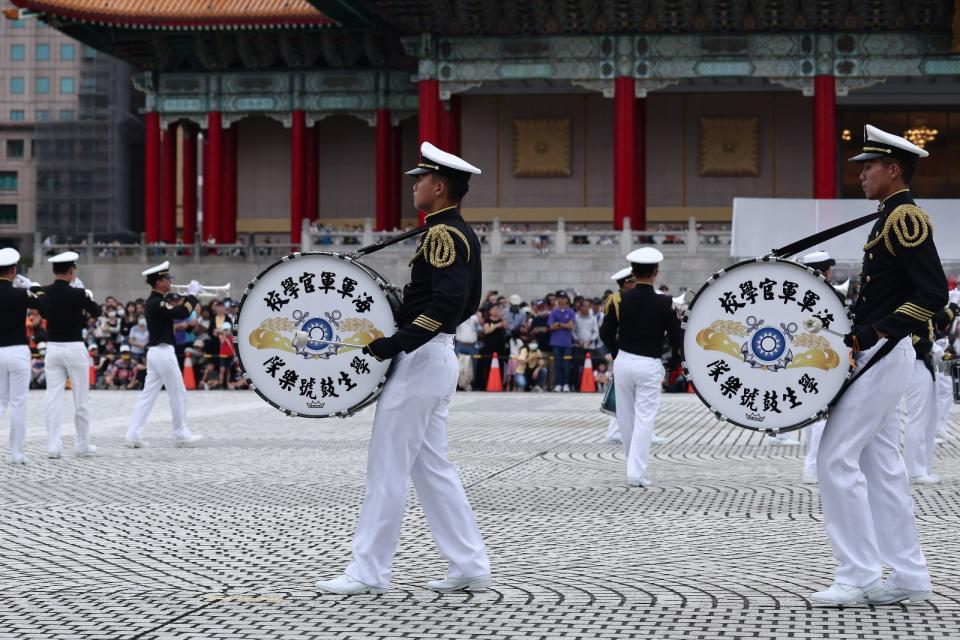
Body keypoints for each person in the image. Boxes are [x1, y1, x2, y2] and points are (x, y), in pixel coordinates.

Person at [316, 141, 490, 595]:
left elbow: (449, 302)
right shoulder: (457, 233)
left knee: (387, 467)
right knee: (431, 467)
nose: (414, 187)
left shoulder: (443, 236)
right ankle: (469, 561)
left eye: (420, 180)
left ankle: (368, 570)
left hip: (422, 358)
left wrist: (399, 342)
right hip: (436, 356)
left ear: (438, 185)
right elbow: (465, 303)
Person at [810, 125, 946, 606]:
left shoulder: (905, 219)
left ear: (893, 169)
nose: (861, 174)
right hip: (883, 353)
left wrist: (875, 331)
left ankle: (859, 572)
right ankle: (910, 575)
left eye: (868, 166)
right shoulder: (889, 217)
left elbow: (931, 293)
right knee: (883, 466)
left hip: (884, 354)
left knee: (833, 458)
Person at [599, 248, 680, 487]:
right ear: (656, 272)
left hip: (624, 361)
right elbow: (676, 337)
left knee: (625, 416)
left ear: (633, 273)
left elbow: (605, 332)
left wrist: (617, 351)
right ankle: (636, 471)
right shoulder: (666, 302)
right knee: (645, 418)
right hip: (650, 363)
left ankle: (631, 466)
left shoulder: (617, 299)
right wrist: (674, 362)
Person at [125, 262, 204, 447]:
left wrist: (189, 297)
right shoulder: (157, 302)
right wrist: (192, 295)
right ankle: (180, 432)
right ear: (159, 282)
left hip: (156, 352)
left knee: (148, 395)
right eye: (166, 278)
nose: (169, 281)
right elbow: (181, 313)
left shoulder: (156, 301)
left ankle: (133, 434)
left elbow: (176, 311)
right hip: (162, 351)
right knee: (178, 393)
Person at [40, 251, 102, 458]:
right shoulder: (78, 293)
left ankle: (53, 446)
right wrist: (83, 292)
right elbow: (97, 312)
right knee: (81, 399)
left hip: (53, 348)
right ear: (70, 271)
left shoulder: (45, 291)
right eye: (74, 268)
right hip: (75, 347)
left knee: (53, 398)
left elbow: (44, 314)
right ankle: (82, 444)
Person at [0, 248, 51, 464]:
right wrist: (33, 287)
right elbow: (45, 305)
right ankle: (17, 454)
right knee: (18, 403)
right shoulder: (21, 293)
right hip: (18, 351)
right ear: (13, 271)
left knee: (0, 402)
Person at [796, 251, 837, 482]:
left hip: (804, 361)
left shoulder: (801, 293)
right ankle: (812, 466)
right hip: (820, 360)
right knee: (820, 416)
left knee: (812, 415)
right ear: (825, 270)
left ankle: (811, 465)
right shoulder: (823, 296)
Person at [603, 267, 635, 445]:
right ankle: (614, 431)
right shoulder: (616, 300)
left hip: (628, 354)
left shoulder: (627, 299)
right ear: (626, 283)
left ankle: (617, 431)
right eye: (633, 282)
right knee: (621, 396)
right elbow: (607, 331)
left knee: (631, 397)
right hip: (624, 353)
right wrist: (616, 351)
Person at [548, 291, 576, 391]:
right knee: (557, 364)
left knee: (566, 364)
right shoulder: (554, 312)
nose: (562, 300)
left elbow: (571, 326)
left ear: (566, 300)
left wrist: (559, 324)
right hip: (556, 342)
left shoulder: (570, 312)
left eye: (564, 298)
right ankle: (558, 384)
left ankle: (566, 384)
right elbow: (551, 326)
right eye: (560, 298)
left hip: (567, 342)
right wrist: (564, 324)